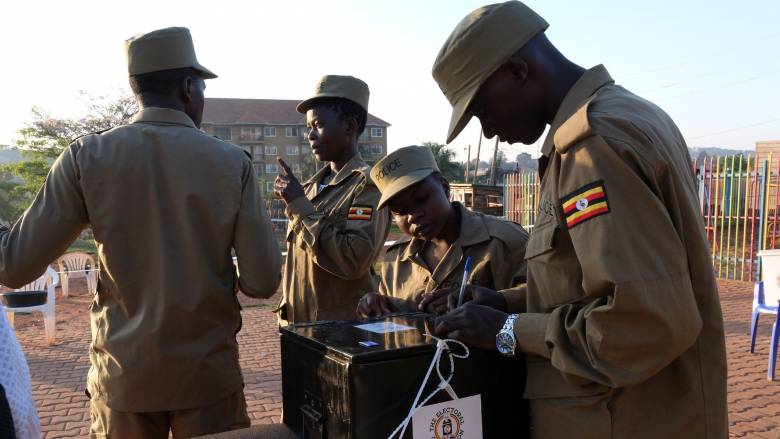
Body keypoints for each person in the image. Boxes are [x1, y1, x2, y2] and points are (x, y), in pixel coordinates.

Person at [424, 2, 728, 438]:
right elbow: (590, 283)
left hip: (625, 419)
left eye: (482, 110)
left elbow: (642, 321)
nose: (487, 131)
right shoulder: (627, 115)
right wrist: (505, 302)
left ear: (517, 71)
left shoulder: (593, 146)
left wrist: (507, 331)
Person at [0, 27, 282, 438]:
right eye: (201, 85)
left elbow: (14, 266)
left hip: (125, 380)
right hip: (207, 380)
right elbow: (262, 281)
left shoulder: (86, 157)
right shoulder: (230, 162)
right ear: (188, 88)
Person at [356, 145, 528, 317]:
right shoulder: (396, 258)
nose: (413, 216)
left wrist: (500, 300)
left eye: (422, 199)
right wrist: (377, 302)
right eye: (400, 211)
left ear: (445, 188)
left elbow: (545, 297)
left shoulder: (504, 241)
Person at [274, 75, 391, 324]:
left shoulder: (368, 185)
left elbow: (354, 261)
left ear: (349, 126)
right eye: (308, 128)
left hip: (341, 331)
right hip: (299, 326)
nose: (310, 135)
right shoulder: (309, 188)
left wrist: (299, 205)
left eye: (318, 125)